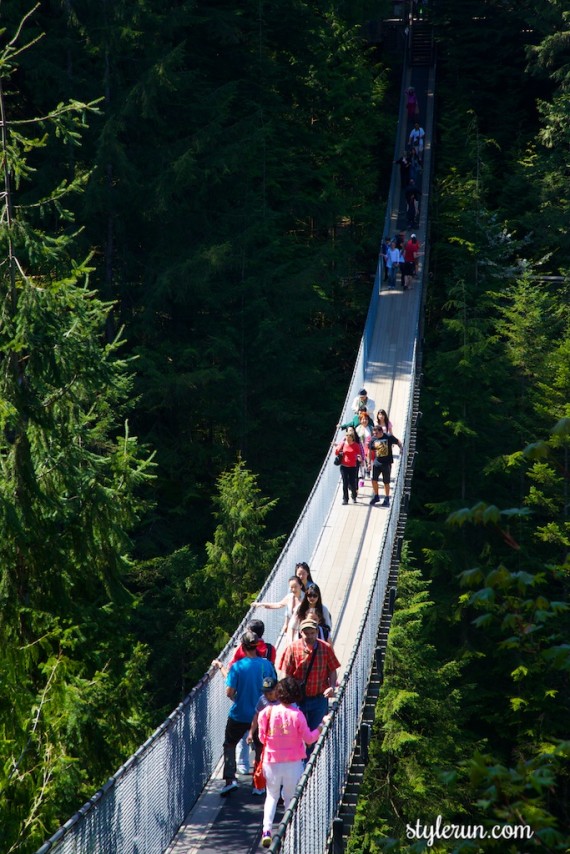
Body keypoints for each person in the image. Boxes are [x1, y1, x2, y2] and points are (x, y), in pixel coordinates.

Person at [258, 677, 331, 848]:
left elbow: (262, 739)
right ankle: (287, 832)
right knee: (290, 798)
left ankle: (267, 831)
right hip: (293, 763)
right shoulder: (297, 715)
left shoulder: (266, 713)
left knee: (271, 796)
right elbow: (310, 739)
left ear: (279, 693)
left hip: (272, 761)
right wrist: (321, 724)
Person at [219, 630, 277, 796]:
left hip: (239, 714)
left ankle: (230, 781)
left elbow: (229, 692)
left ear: (243, 647)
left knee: (230, 744)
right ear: (257, 646)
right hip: (261, 715)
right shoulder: (266, 665)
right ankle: (257, 784)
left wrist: (239, 700)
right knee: (260, 747)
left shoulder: (237, 667)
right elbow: (273, 687)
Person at [278, 619, 340, 734]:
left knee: (315, 732)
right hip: (298, 698)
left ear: (317, 632)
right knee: (297, 731)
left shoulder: (325, 648)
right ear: (301, 633)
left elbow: (332, 669)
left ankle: (309, 752)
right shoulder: (292, 648)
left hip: (319, 698)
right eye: (306, 633)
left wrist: (331, 686)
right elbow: (286, 674)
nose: (310, 636)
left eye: (312, 633)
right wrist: (287, 695)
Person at [247, 675, 279, 796]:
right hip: (263, 735)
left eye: (270, 693)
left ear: (277, 689)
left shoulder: (283, 700)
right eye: (265, 693)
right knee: (259, 758)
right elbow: (256, 717)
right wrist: (251, 732)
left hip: (277, 736)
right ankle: (257, 784)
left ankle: (273, 785)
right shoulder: (262, 700)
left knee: (275, 761)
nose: (268, 696)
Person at [254, 576, 304, 644]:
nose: (293, 589)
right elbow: (278, 605)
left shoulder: (305, 599)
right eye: (291, 587)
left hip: (302, 630)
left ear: (301, 585)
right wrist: (261, 604)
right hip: (291, 630)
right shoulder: (290, 597)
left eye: (295, 586)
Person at [368, 425, 403, 508]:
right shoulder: (373, 439)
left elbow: (398, 441)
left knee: (386, 482)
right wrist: (369, 463)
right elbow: (370, 451)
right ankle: (376, 496)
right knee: (374, 480)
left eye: (376, 433)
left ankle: (387, 498)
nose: (374, 435)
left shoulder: (388, 436)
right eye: (374, 433)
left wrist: (401, 448)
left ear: (381, 432)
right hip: (377, 462)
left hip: (386, 463)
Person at [334, 430, 362, 505]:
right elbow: (336, 452)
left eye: (349, 438)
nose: (348, 440)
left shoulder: (356, 445)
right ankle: (345, 499)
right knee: (345, 483)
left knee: (352, 483)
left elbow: (359, 454)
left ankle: (354, 496)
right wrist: (338, 448)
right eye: (347, 438)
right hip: (344, 466)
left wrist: (359, 458)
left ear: (352, 438)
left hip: (353, 466)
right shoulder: (343, 444)